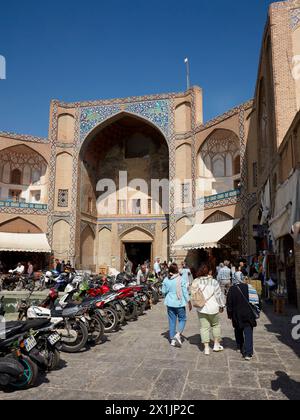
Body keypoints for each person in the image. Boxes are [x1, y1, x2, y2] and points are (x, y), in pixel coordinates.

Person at [192, 264, 225, 356]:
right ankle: (216, 345)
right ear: (209, 272)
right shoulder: (214, 282)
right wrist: (222, 305)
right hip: (213, 307)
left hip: (201, 307)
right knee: (215, 325)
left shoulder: (196, 281)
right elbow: (218, 295)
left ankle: (206, 348)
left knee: (204, 327)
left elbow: (192, 293)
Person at [226, 274, 259, 361]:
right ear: (242, 278)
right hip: (248, 314)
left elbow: (229, 303)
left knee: (238, 329)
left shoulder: (232, 289)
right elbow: (257, 302)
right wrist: (257, 311)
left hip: (236, 314)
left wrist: (230, 314)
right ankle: (248, 353)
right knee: (248, 332)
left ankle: (239, 346)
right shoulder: (250, 287)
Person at [162, 263, 191, 347]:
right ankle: (178, 334)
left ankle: (172, 340)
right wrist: (189, 302)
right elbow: (185, 292)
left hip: (170, 303)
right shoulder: (181, 279)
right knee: (183, 319)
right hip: (179, 303)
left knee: (172, 321)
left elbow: (163, 291)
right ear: (176, 270)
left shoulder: (166, 279)